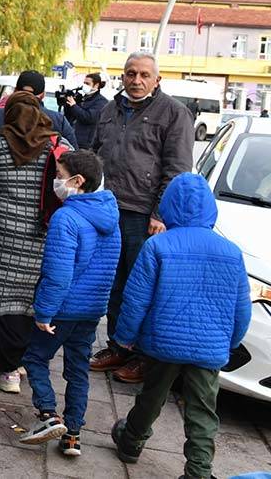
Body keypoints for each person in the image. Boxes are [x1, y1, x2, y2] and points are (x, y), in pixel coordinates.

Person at [110, 174, 251, 479]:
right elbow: (241, 309)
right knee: (203, 410)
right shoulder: (232, 252)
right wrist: (230, 341)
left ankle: (130, 442)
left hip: (164, 343)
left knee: (152, 395)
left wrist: (125, 337)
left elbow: (136, 299)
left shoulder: (157, 245)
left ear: (168, 206)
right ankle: (198, 471)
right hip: (209, 347)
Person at [0, 91, 72, 393]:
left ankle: (2, 370)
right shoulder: (55, 145)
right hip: (39, 239)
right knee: (25, 304)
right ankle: (19, 363)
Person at [88, 52, 195, 384]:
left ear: (157, 79)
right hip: (108, 210)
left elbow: (177, 171)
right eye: (130, 74)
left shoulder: (174, 114)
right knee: (114, 283)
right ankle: (119, 346)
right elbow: (95, 154)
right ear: (123, 76)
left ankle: (144, 356)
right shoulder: (110, 109)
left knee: (143, 287)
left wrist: (160, 214)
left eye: (144, 75)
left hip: (144, 215)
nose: (136, 80)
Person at [18, 150, 121, 457]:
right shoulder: (111, 217)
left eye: (60, 177)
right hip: (92, 309)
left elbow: (58, 273)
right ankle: (73, 435)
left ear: (78, 181)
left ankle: (49, 415)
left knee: (35, 358)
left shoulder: (67, 217)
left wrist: (45, 311)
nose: (56, 182)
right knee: (78, 369)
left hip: (63, 307)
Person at [0, 71, 79, 149]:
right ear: (43, 94)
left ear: (15, 90)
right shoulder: (58, 120)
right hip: (47, 176)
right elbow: (73, 154)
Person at [61, 72, 108, 149]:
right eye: (84, 83)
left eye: (87, 83)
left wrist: (74, 106)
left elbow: (88, 117)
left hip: (86, 143)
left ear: (96, 85)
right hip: (73, 137)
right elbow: (70, 116)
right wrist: (68, 104)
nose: (84, 85)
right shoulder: (84, 98)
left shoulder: (101, 102)